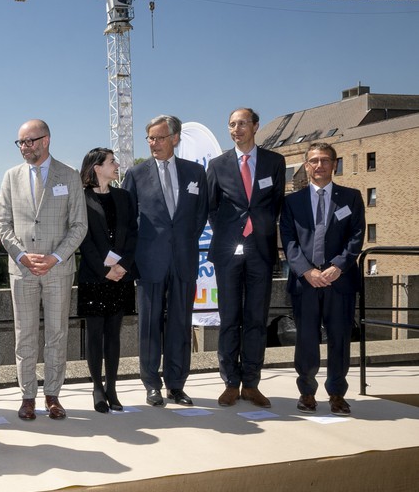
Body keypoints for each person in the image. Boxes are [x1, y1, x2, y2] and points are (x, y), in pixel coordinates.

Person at [0, 119, 87, 421]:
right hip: (22, 270)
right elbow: (2, 224)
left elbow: (79, 225)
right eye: (20, 142)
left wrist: (56, 258)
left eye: (30, 141)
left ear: (46, 140)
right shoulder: (10, 177)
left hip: (58, 270)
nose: (25, 147)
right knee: (24, 335)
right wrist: (21, 256)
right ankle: (27, 396)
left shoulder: (70, 176)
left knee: (57, 334)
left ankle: (52, 395)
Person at [122, 115, 208, 407]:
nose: (153, 144)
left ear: (175, 138)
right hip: (149, 262)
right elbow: (128, 219)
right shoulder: (136, 174)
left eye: (159, 138)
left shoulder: (196, 172)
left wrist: (181, 242)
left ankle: (177, 384)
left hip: (183, 260)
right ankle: (151, 385)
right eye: (149, 138)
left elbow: (200, 216)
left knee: (181, 325)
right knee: (149, 325)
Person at [207, 108, 287, 409]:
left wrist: (256, 231)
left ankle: (251, 384)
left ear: (255, 126)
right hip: (228, 252)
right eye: (231, 124)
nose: (236, 129)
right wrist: (233, 232)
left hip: (261, 251)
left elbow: (276, 202)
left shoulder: (274, 162)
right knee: (229, 319)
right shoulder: (217, 165)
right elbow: (211, 207)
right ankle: (230, 383)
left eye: (242, 123)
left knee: (256, 318)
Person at [280, 142, 363, 416]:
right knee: (305, 339)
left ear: (334, 165)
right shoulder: (292, 201)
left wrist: (338, 266)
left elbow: (356, 237)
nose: (319, 166)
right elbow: (289, 241)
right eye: (313, 160)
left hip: (340, 282)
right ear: (306, 166)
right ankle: (307, 393)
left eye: (325, 160)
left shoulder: (351, 198)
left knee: (340, 339)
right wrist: (307, 271)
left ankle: (337, 394)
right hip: (306, 282)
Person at [75, 148, 137, 413]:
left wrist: (123, 265)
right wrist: (104, 270)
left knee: (114, 335)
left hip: (121, 275)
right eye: (112, 162)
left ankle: (112, 388)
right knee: (95, 335)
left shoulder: (124, 196)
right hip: (95, 276)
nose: (117, 165)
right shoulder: (81, 198)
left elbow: (134, 232)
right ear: (97, 167)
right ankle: (97, 389)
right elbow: (83, 240)